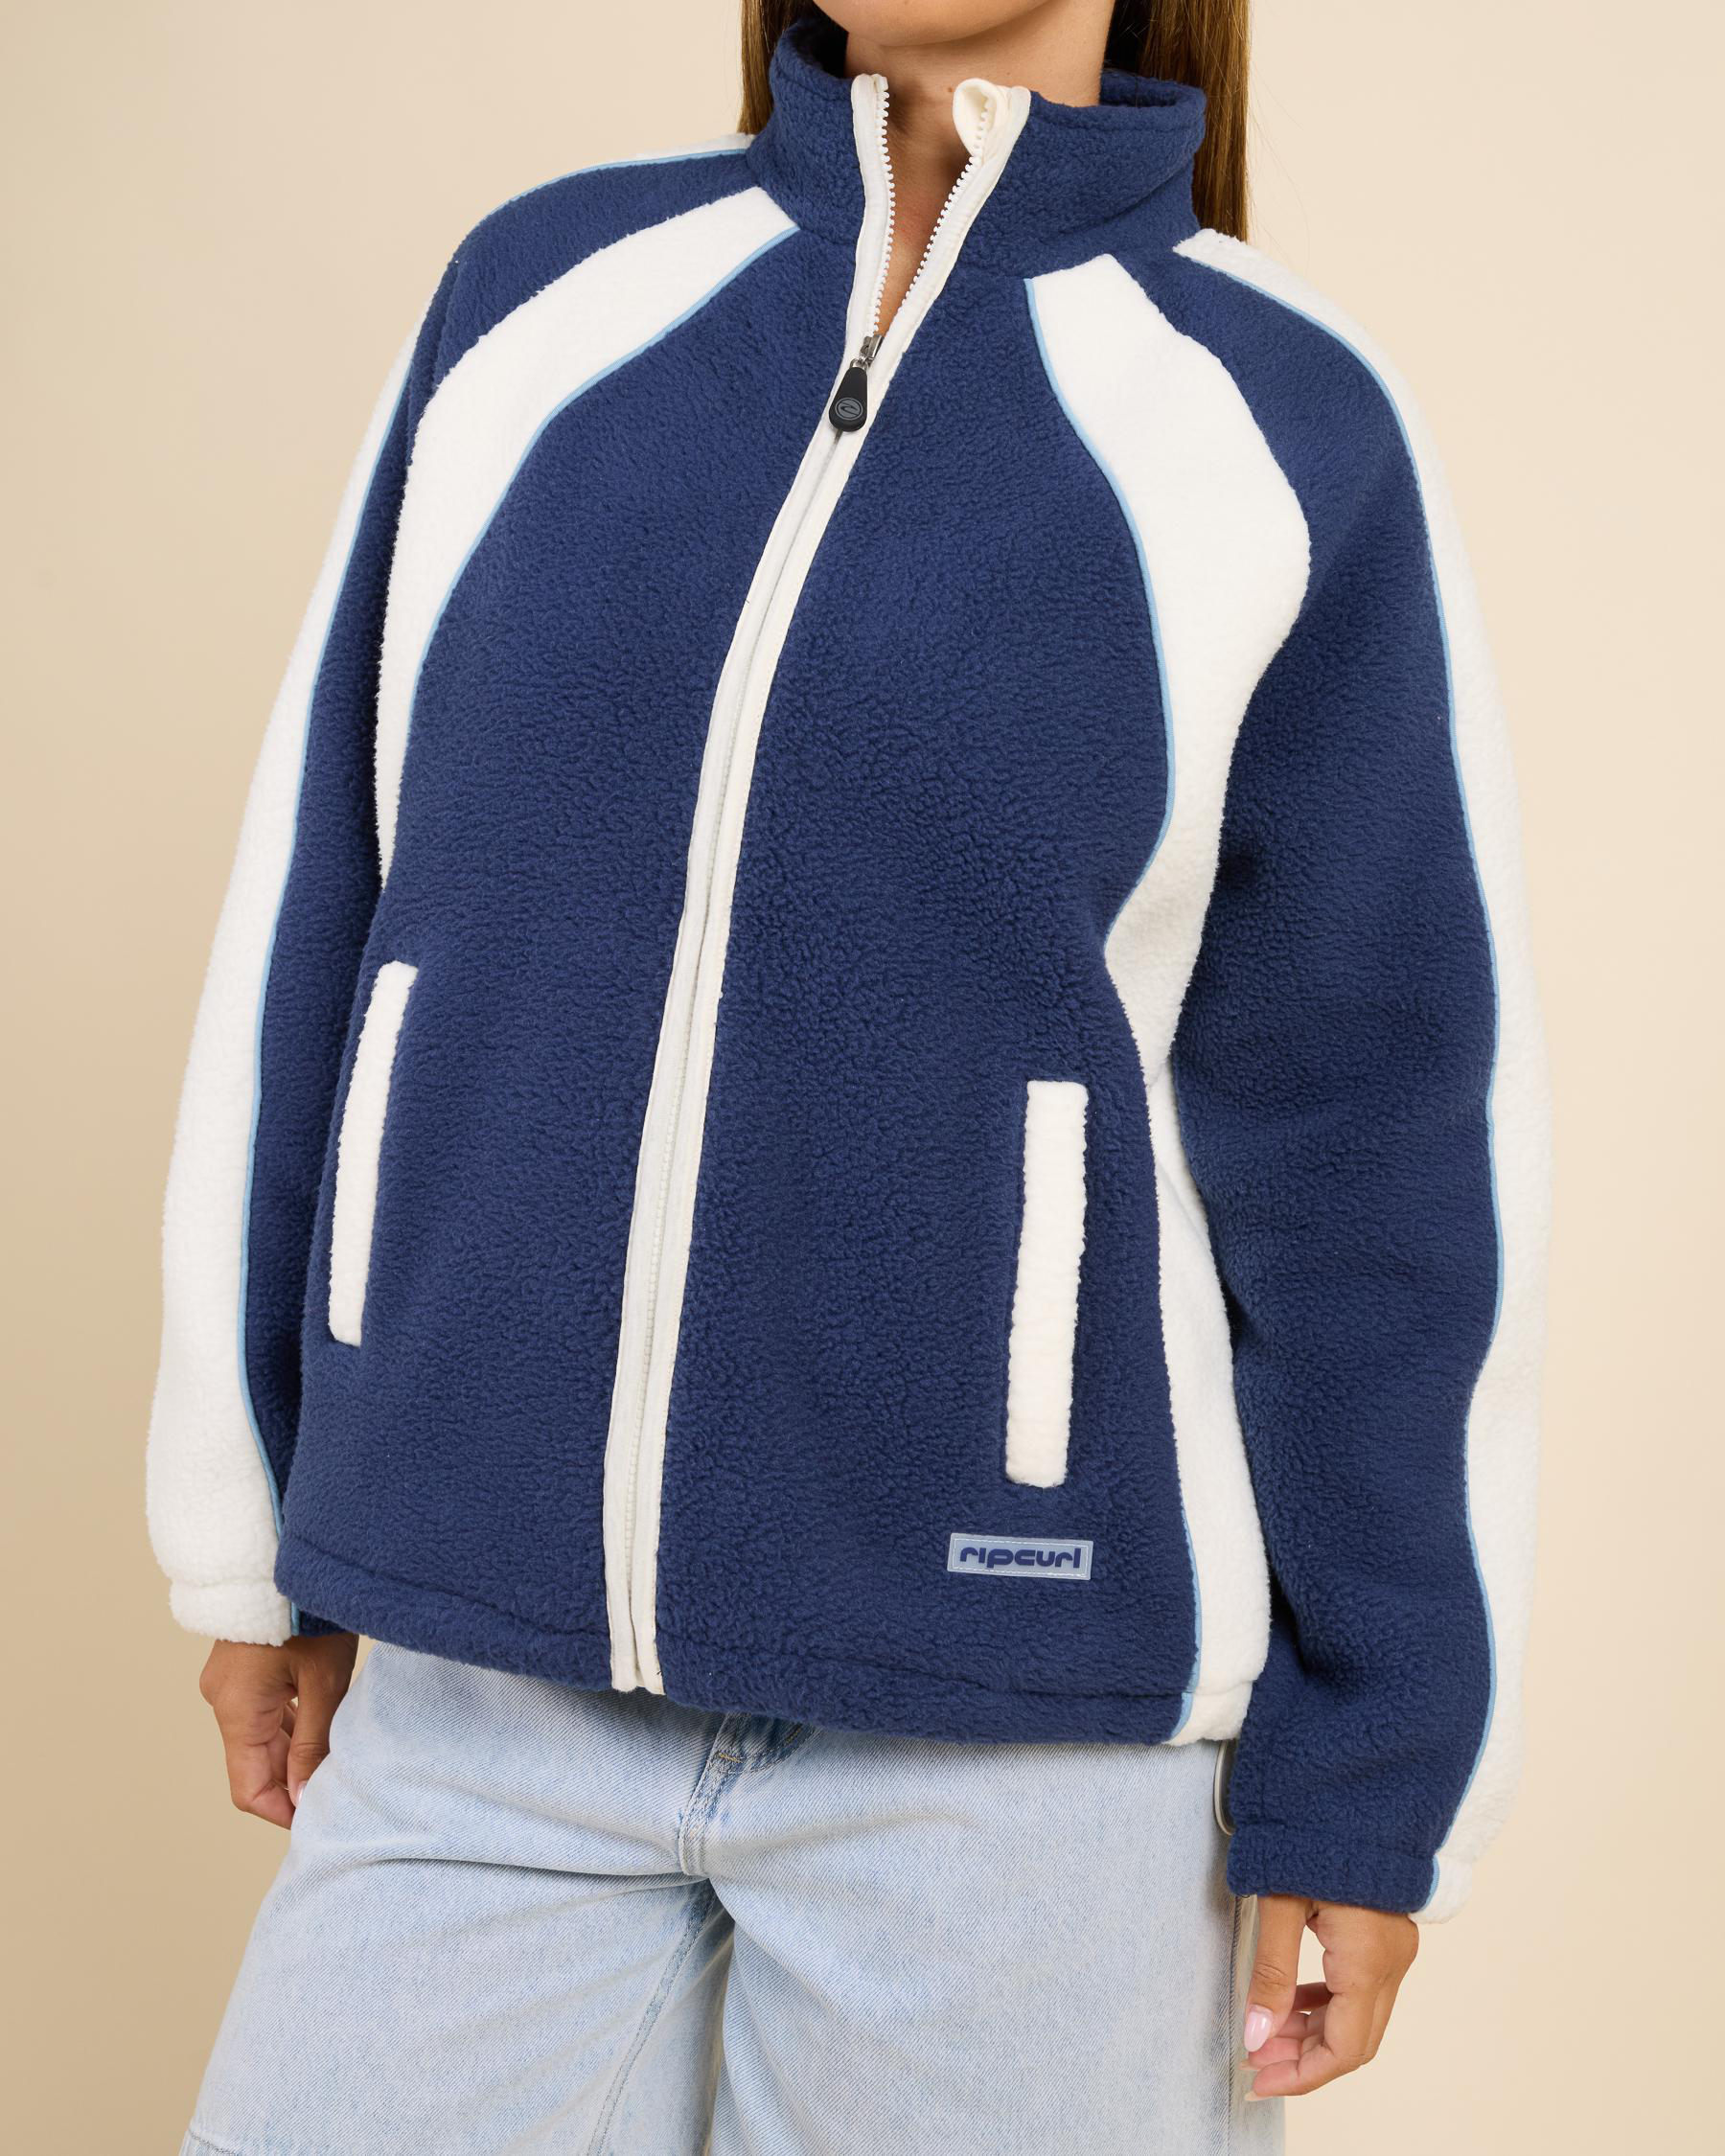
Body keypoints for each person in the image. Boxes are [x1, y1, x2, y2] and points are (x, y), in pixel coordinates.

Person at [149, 2, 1551, 2147]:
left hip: (1029, 1756)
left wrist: (1374, 1769)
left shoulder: (1279, 416)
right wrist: (256, 1530)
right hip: (477, 1690)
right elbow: (323, 900)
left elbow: (1383, 1147)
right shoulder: (544, 299)